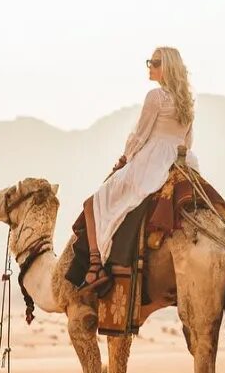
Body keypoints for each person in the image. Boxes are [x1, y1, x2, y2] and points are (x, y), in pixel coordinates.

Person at [80, 46, 196, 292]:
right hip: (181, 162)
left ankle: (94, 266)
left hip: (152, 163)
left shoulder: (156, 97)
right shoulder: (187, 103)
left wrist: (124, 159)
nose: (150, 67)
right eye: (150, 62)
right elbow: (187, 142)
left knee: (92, 203)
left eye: (155, 63)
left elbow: (141, 135)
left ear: (167, 68)